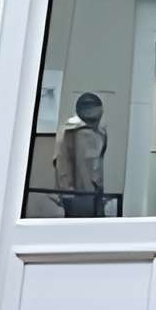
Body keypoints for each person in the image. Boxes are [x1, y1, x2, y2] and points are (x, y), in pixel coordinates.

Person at [52, 89, 111, 217]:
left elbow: (99, 164)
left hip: (95, 194)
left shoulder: (101, 133)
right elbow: (62, 166)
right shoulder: (68, 132)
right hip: (77, 195)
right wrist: (67, 194)